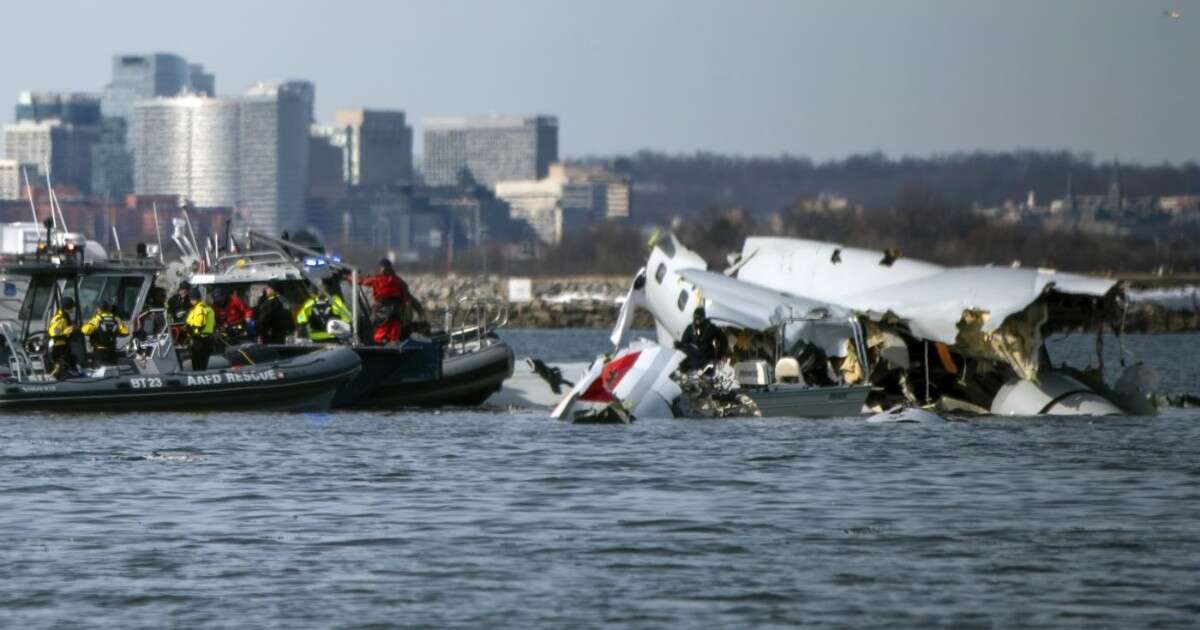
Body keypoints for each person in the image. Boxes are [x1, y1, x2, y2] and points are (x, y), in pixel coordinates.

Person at [359, 258, 418, 344]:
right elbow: (405, 298)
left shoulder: (377, 279)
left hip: (383, 312)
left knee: (378, 333)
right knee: (394, 337)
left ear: (381, 268)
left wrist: (348, 277)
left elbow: (361, 280)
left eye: (381, 267)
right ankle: (393, 348)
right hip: (397, 312)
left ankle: (378, 348)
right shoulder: (399, 281)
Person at [675, 306, 728, 371]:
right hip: (694, 357)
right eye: (695, 317)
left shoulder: (710, 328)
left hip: (707, 358)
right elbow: (684, 342)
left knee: (708, 371)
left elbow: (723, 339)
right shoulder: (690, 328)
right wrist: (680, 346)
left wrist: (719, 355)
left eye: (699, 317)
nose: (697, 319)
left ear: (703, 318)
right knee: (683, 367)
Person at [81, 299, 130, 366]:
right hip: (112, 351)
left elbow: (84, 331)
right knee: (112, 371)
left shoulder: (96, 319)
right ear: (108, 309)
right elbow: (125, 332)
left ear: (99, 309)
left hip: (99, 352)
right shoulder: (116, 319)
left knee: (98, 373)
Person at [185, 288, 216, 371]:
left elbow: (198, 325)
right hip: (208, 339)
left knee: (197, 364)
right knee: (204, 363)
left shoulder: (199, 309)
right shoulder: (208, 308)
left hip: (200, 341)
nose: (190, 301)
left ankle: (198, 377)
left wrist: (189, 330)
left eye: (191, 299)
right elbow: (213, 324)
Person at [47, 296, 78, 378]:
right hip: (58, 346)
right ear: (67, 307)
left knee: (69, 361)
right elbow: (54, 333)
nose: (73, 309)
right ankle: (53, 377)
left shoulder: (64, 316)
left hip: (63, 345)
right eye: (72, 307)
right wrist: (69, 330)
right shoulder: (60, 319)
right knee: (59, 365)